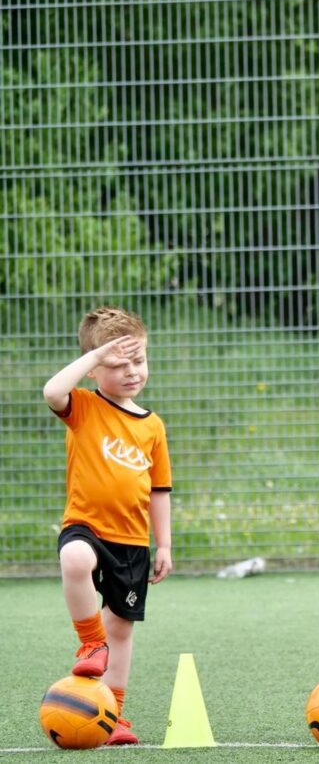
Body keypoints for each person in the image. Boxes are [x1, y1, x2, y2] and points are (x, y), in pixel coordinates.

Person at [42, 306, 173, 746]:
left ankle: (113, 715)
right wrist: (96, 355)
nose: (132, 372)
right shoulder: (82, 406)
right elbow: (51, 390)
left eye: (139, 361)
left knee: (122, 628)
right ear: (96, 370)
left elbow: (159, 489)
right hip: (87, 525)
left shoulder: (153, 425)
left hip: (133, 541)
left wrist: (165, 545)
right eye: (118, 365)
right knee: (74, 556)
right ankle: (89, 644)